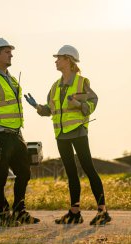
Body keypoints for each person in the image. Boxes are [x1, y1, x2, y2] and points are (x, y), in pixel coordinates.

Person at [24, 45, 111, 225]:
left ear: (68, 60)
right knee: (70, 173)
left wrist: (79, 106)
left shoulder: (81, 82)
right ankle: (74, 212)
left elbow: (93, 103)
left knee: (88, 169)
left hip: (78, 131)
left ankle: (103, 211)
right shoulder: (55, 86)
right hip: (61, 133)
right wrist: (37, 107)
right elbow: (50, 110)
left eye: (59, 58)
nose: (56, 61)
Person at [0, 38, 40, 226]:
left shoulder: (12, 79)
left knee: (24, 172)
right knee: (0, 177)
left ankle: (19, 211)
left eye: (10, 51)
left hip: (16, 135)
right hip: (0, 136)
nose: (11, 54)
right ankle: (3, 215)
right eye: (7, 51)